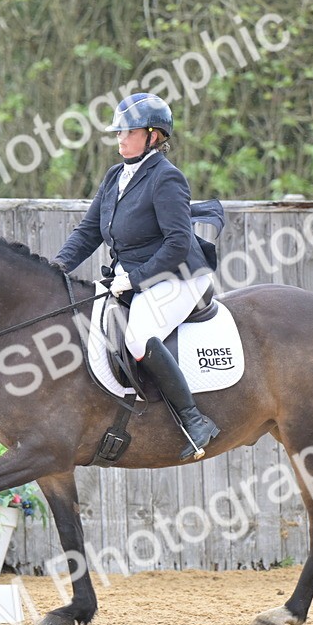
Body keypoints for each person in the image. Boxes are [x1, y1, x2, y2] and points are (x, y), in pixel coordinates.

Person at [53, 92, 219, 460]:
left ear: (153, 136)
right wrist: (55, 268)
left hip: (179, 276)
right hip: (135, 276)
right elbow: (87, 232)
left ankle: (195, 420)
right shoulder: (115, 176)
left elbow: (177, 243)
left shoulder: (167, 178)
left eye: (128, 132)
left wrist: (136, 278)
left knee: (140, 336)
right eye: (118, 132)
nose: (120, 139)